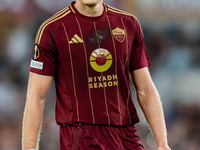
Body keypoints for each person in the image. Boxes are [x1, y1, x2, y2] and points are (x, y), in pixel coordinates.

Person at [22, 0, 171, 150]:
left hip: (127, 136)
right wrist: (29, 148)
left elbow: (145, 89)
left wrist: (163, 144)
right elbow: (36, 96)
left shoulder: (129, 24)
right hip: (81, 137)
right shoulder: (52, 29)